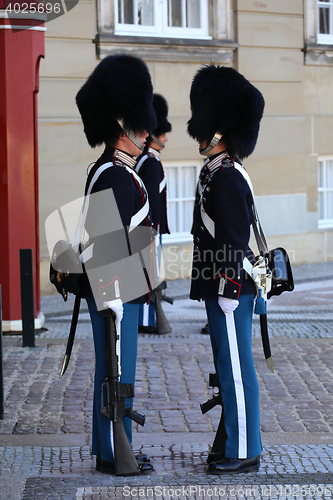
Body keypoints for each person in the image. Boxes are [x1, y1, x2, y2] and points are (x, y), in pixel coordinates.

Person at [75, 53, 157, 475]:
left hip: (123, 288)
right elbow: (107, 242)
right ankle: (111, 452)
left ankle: (113, 443)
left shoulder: (121, 171)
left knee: (117, 368)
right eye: (139, 125)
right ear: (122, 128)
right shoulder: (112, 173)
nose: (147, 133)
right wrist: (113, 299)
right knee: (115, 370)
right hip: (114, 292)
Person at [187, 64, 265, 474]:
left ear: (222, 129)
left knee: (236, 369)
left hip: (229, 286)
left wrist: (229, 289)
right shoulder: (215, 170)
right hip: (218, 282)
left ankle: (245, 450)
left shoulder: (229, 176)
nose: (200, 133)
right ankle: (232, 440)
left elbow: (233, 240)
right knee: (227, 366)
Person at [135, 94, 171, 334]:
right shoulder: (150, 163)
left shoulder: (147, 160)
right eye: (163, 132)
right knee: (150, 276)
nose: (166, 137)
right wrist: (153, 228)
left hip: (149, 228)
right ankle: (147, 320)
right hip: (149, 228)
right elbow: (149, 199)